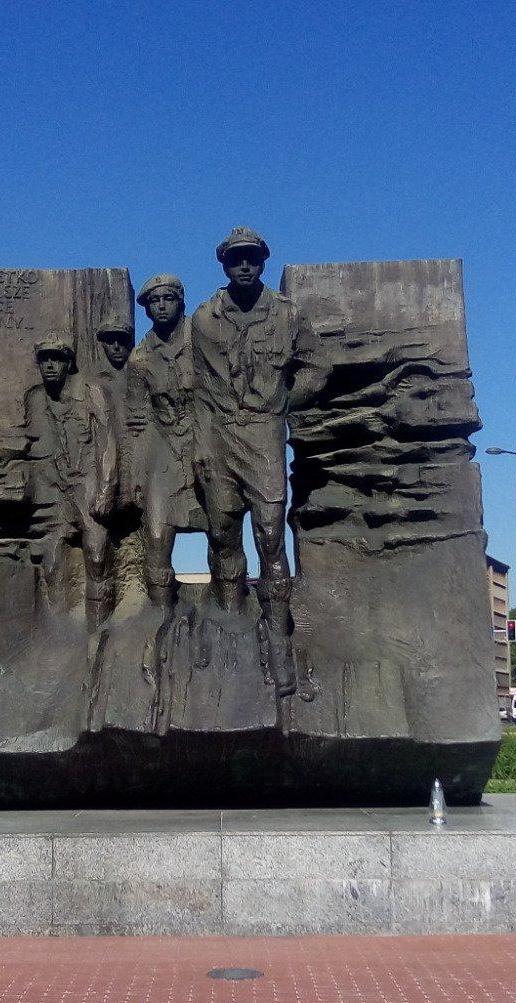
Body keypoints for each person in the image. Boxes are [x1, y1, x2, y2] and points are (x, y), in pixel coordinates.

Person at [190, 227, 325, 696]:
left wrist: (286, 401)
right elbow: (197, 391)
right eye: (235, 260)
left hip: (264, 434)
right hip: (219, 438)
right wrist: (202, 451)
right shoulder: (204, 318)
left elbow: (315, 365)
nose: (244, 266)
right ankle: (231, 627)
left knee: (271, 539)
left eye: (252, 258)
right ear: (224, 265)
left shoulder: (288, 315)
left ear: (264, 261)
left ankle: (278, 649)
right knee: (223, 534)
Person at [24, 332, 121, 626]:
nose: (50, 365)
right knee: (51, 565)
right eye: (45, 359)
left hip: (87, 485)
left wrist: (106, 490)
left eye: (57, 359)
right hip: (53, 490)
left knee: (96, 556)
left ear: (69, 362)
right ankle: (58, 631)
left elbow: (108, 444)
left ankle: (98, 630)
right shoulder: (34, 398)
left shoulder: (92, 393)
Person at [126, 274, 203, 607]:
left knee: (223, 535)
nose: (161, 305)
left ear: (180, 301)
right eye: (154, 301)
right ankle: (158, 620)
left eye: (168, 298)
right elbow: (136, 424)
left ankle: (228, 615)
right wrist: (137, 477)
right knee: (156, 540)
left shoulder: (203, 341)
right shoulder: (139, 360)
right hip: (164, 454)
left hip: (204, 447)